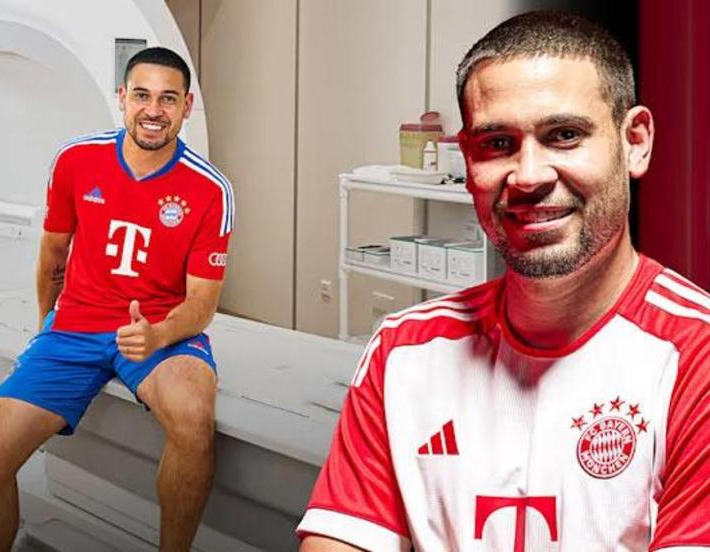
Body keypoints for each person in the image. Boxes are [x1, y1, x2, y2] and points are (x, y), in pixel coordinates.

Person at [298, 11, 709, 552]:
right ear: (468, 158)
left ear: (635, 141)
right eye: (497, 144)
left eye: (565, 135)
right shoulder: (404, 349)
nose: (529, 176)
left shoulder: (696, 356)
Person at [0, 47, 234, 552]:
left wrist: (157, 334)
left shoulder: (210, 189)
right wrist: (47, 328)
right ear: (122, 98)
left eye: (168, 98)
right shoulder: (76, 160)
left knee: (195, 420)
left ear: (186, 106)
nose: (153, 109)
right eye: (142, 95)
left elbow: (202, 303)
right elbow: (53, 254)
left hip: (160, 330)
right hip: (76, 326)